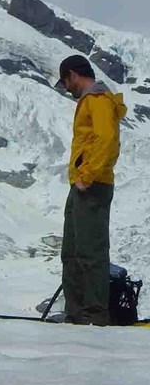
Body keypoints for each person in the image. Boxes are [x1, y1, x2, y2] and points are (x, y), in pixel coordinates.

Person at [54, 54, 127, 325]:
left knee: (90, 251)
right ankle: (76, 312)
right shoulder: (90, 101)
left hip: (92, 184)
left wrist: (88, 175)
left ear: (72, 74)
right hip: (82, 184)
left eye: (65, 81)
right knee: (72, 252)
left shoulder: (97, 100)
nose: (66, 87)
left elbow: (106, 139)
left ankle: (94, 314)